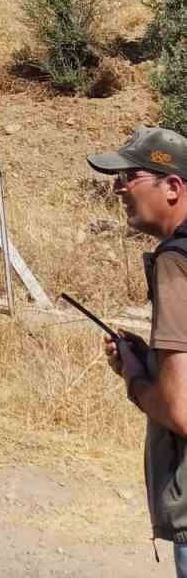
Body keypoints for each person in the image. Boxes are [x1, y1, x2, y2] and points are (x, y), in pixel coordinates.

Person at [87, 126, 187, 571]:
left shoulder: (175, 261)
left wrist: (134, 377)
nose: (118, 188)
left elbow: (178, 409)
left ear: (173, 187)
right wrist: (153, 356)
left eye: (131, 176)